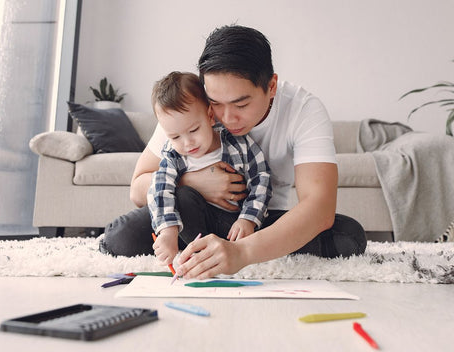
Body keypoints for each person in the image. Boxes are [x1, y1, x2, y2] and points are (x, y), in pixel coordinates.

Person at [101, 25, 366, 277]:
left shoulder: (304, 110)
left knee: (349, 237)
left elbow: (319, 208)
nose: (227, 118)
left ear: (271, 86)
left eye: (241, 104)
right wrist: (195, 181)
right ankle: (202, 248)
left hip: (254, 221)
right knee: (120, 238)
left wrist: (242, 253)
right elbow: (138, 190)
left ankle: (216, 249)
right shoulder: (190, 106)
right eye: (215, 103)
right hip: (190, 210)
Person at [147, 71, 271, 266]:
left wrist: (248, 219)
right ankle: (196, 249)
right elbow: (160, 188)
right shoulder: (174, 154)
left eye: (194, 130)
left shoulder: (238, 144)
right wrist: (168, 231)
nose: (187, 143)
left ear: (210, 116)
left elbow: (261, 180)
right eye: (175, 137)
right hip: (191, 224)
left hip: (233, 224)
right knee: (181, 197)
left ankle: (211, 252)